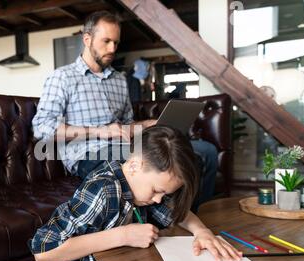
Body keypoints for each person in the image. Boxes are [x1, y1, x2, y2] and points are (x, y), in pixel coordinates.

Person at [31, 10, 218, 212]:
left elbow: (127, 124)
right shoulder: (61, 77)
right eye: (106, 41)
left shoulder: (119, 79)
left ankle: (195, 216)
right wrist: (101, 131)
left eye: (116, 43)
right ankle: (173, 220)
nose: (112, 48)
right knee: (145, 165)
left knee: (205, 151)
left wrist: (147, 125)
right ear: (87, 39)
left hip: (125, 146)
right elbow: (41, 129)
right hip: (89, 154)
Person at [29, 126, 242, 261]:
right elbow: (44, 251)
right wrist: (122, 235)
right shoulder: (103, 189)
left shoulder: (142, 190)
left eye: (165, 194)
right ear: (134, 165)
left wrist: (202, 232)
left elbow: (178, 213)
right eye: (157, 191)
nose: (159, 200)